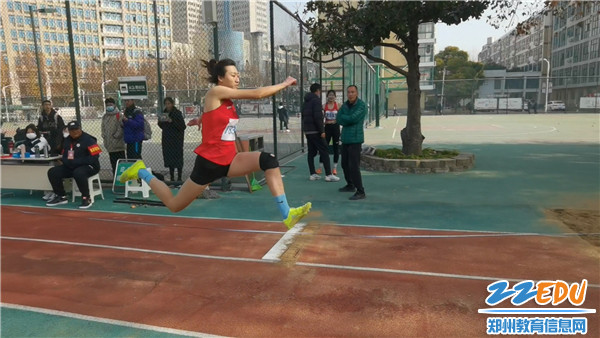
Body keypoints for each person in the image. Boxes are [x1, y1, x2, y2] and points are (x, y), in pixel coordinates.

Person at [118, 58, 311, 229]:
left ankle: (287, 214)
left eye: (238, 75)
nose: (237, 79)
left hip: (230, 161)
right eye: (233, 75)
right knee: (174, 204)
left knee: (269, 161)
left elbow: (217, 118)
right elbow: (258, 94)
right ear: (220, 78)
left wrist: (203, 120)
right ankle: (141, 170)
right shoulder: (216, 92)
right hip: (209, 164)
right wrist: (285, 83)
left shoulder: (226, 100)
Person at [46, 121, 102, 209]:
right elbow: (65, 155)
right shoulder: (67, 140)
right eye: (72, 130)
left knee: (78, 173)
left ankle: (86, 198)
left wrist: (78, 162)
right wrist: (66, 162)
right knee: (53, 172)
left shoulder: (89, 139)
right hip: (72, 166)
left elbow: (95, 157)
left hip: (90, 166)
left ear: (80, 129)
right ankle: (61, 196)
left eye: (76, 129)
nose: (74, 132)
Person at [302, 83, 339, 182]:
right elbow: (318, 117)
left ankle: (312, 174)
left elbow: (303, 117)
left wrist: (305, 130)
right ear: (318, 91)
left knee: (311, 152)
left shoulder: (305, 102)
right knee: (324, 150)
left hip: (308, 131)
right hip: (315, 131)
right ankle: (328, 174)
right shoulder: (316, 101)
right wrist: (321, 131)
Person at [337, 85, 367, 200]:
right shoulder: (345, 105)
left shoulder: (361, 105)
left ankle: (361, 191)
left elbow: (353, 119)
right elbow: (339, 119)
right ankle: (350, 185)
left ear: (357, 93)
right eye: (349, 92)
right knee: (344, 164)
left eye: (353, 92)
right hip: (345, 139)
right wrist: (346, 118)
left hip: (355, 139)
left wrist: (345, 118)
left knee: (354, 166)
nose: (350, 94)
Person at [158, 97, 186, 181]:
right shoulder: (164, 113)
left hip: (176, 140)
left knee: (178, 159)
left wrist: (172, 121)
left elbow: (182, 126)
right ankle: (172, 177)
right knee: (169, 159)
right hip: (167, 139)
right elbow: (161, 125)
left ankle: (179, 177)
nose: (167, 106)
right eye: (166, 104)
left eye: (169, 103)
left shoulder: (177, 113)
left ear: (172, 104)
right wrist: (161, 121)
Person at [101, 97, 125, 176]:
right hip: (109, 144)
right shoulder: (105, 116)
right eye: (107, 105)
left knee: (121, 162)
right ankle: (116, 177)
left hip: (118, 144)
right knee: (113, 161)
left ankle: (122, 177)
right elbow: (103, 127)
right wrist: (104, 135)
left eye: (110, 105)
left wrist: (116, 136)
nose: (109, 106)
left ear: (114, 105)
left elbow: (121, 127)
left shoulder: (119, 115)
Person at [322, 90, 340, 175]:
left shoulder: (338, 105)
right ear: (327, 96)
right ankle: (320, 166)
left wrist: (336, 121)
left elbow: (341, 117)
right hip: (327, 128)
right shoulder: (323, 106)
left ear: (335, 96)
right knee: (324, 146)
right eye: (329, 95)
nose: (331, 96)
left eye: (333, 95)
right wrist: (325, 123)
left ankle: (334, 168)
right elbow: (320, 118)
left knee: (336, 147)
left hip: (335, 128)